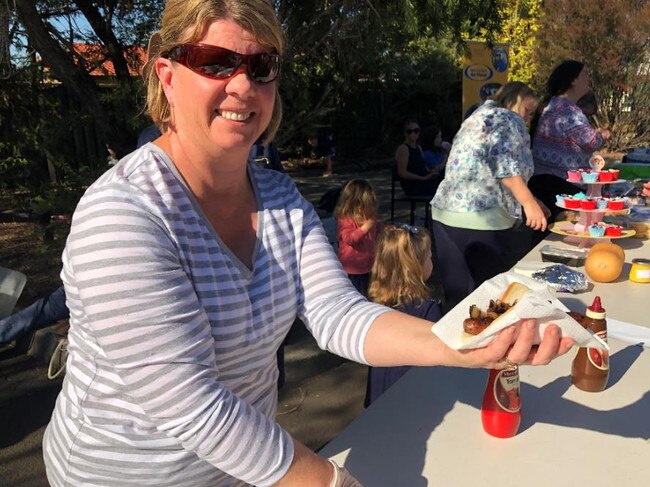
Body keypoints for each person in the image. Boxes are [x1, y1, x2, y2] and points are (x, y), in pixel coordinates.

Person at [42, 2, 574, 486]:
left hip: (240, 470)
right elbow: (191, 406)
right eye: (215, 62)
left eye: (261, 67)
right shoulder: (123, 214)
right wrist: (329, 482)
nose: (243, 85)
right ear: (168, 77)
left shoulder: (278, 194)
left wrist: (462, 343)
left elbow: (335, 311)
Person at [431, 82, 550, 313]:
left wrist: (533, 200)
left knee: (456, 299)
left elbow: (484, 169)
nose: (527, 119)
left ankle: (450, 345)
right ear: (515, 101)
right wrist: (528, 203)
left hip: (447, 212)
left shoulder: (478, 117)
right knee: (488, 300)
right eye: (528, 111)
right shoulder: (508, 119)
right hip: (483, 218)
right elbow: (504, 168)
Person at [364, 224, 441, 406]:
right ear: (417, 267)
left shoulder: (375, 304)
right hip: (411, 392)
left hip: (380, 388)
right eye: (430, 257)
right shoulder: (427, 309)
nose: (432, 260)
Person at [529, 60, 611, 221]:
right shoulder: (568, 109)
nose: (588, 78)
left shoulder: (553, 104)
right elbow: (590, 142)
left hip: (545, 182)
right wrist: (604, 135)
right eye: (585, 74)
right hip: (562, 184)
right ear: (573, 80)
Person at [334, 179, 382, 296]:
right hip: (352, 269)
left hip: (368, 265)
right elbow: (349, 239)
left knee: (369, 294)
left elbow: (379, 232)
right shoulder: (345, 220)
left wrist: (384, 229)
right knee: (356, 294)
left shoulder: (368, 217)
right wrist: (365, 228)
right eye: (367, 206)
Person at [395, 118, 442, 198]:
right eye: (410, 131)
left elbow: (423, 167)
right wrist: (422, 178)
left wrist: (431, 173)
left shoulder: (418, 148)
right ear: (405, 133)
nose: (413, 133)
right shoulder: (403, 149)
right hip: (413, 184)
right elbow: (402, 173)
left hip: (423, 180)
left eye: (416, 131)